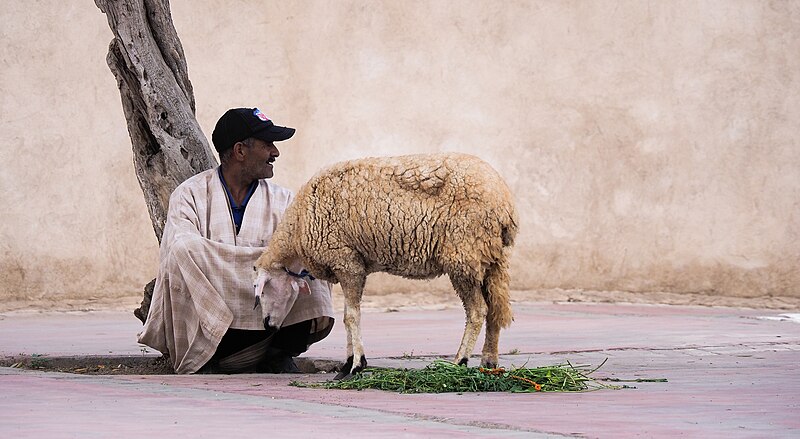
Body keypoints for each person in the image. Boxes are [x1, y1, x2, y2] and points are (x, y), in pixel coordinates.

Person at [138, 107, 334, 374]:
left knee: (312, 252)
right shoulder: (189, 195)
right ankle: (209, 354)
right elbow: (182, 248)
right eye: (267, 145)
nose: (275, 152)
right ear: (240, 151)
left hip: (272, 329)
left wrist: (234, 264)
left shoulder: (284, 200)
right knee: (185, 250)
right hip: (216, 334)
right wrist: (264, 263)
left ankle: (278, 354)